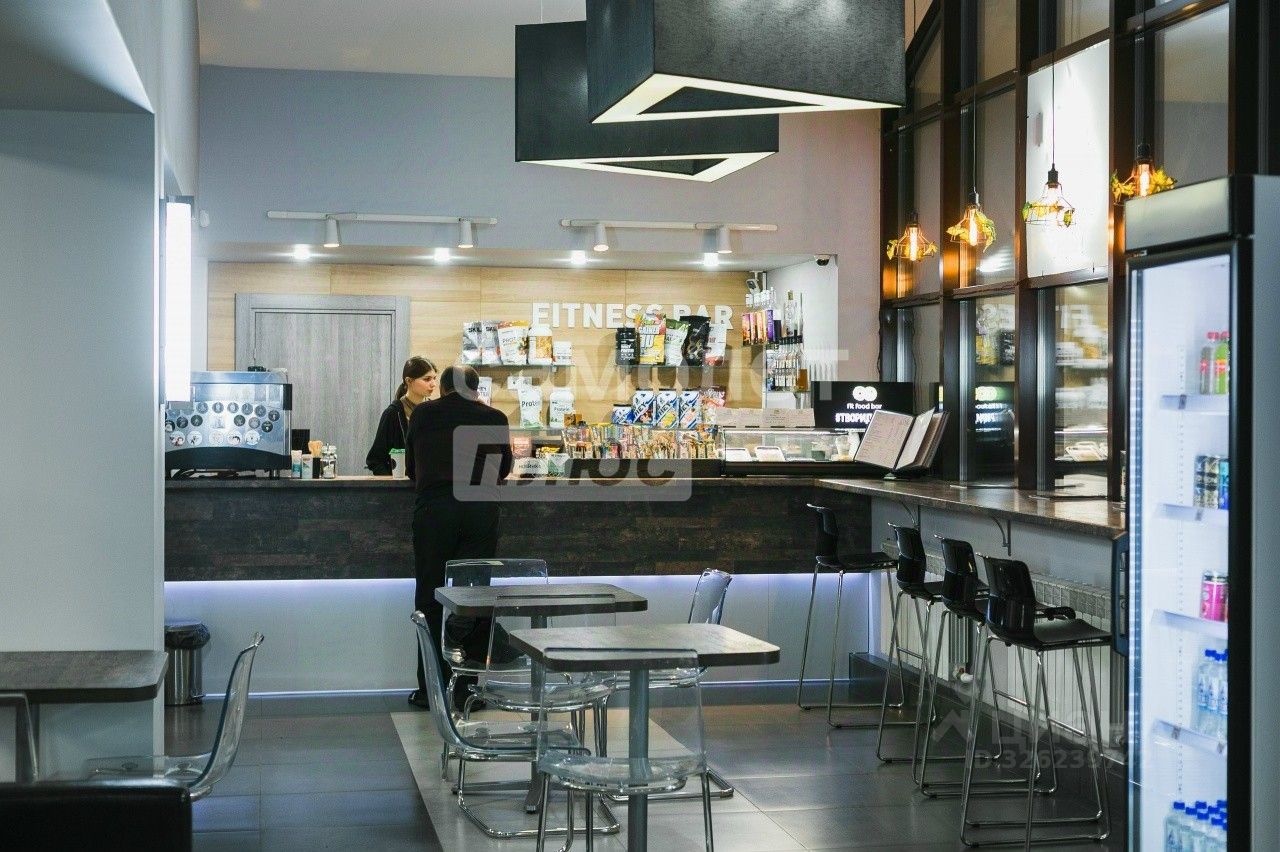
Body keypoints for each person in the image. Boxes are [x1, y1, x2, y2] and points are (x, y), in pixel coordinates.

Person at [405, 365, 512, 710]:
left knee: (430, 596)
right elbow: (504, 468)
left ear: (444, 388)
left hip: (436, 511)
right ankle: (467, 690)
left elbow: (411, 469)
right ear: (477, 389)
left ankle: (430, 690)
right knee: (473, 598)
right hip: (480, 510)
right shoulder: (495, 418)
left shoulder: (423, 414)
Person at [366, 356, 437, 476]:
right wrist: (394, 482)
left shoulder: (435, 411)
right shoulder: (393, 413)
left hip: (430, 482)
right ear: (409, 381)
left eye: (434, 378)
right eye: (427, 379)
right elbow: (375, 460)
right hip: (402, 483)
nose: (433, 384)